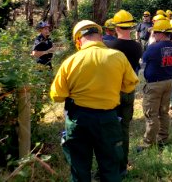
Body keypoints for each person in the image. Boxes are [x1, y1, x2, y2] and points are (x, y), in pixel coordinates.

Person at [50, 20, 139, 182]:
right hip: (108, 120)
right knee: (111, 167)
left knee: (79, 168)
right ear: (100, 36)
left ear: (78, 40)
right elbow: (129, 86)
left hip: (79, 121)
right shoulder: (118, 57)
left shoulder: (70, 62)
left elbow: (57, 96)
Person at [104, 10, 143, 176]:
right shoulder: (137, 46)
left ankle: (111, 166)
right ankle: (123, 166)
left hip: (114, 92)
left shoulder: (110, 47)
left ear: (116, 27)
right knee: (125, 129)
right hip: (130, 91)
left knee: (110, 130)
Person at [139, 19, 172, 150]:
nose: (153, 35)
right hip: (168, 82)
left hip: (155, 85)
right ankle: (163, 138)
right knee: (164, 112)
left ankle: (148, 142)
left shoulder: (153, 47)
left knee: (151, 113)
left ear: (161, 33)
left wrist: (152, 42)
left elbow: (144, 59)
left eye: (155, 32)